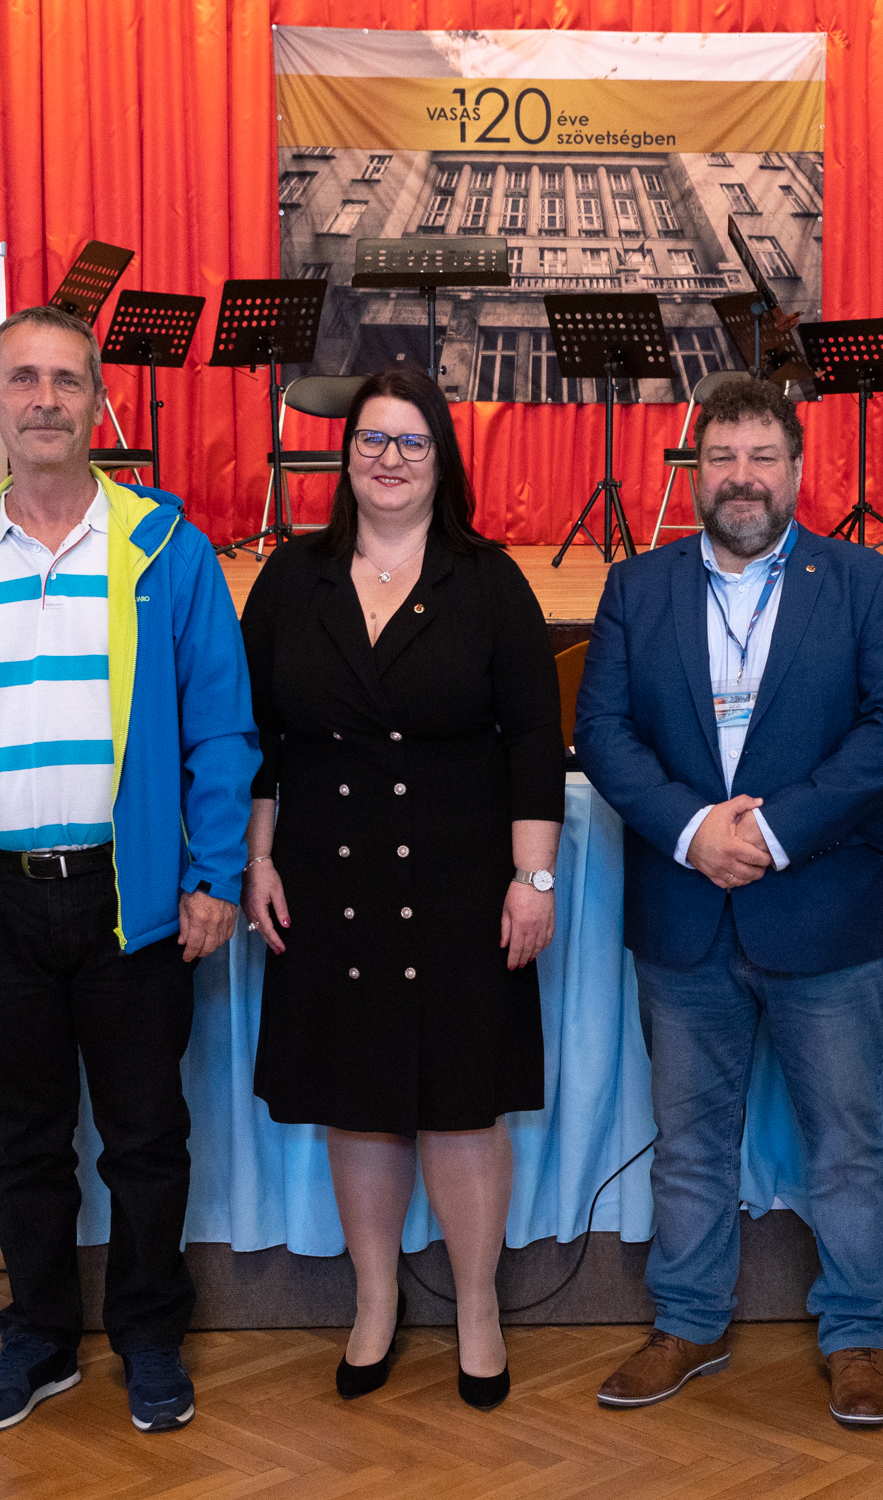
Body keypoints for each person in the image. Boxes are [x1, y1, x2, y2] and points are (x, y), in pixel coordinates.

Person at [0, 304, 258, 1434]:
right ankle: (39, 1337)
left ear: (99, 403)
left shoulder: (165, 547)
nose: (45, 399)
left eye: (67, 380)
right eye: (24, 379)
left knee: (146, 1137)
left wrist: (214, 874)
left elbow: (221, 727)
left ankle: (148, 1335)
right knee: (24, 1139)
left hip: (131, 898)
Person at [574, 376, 883, 1426]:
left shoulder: (863, 582)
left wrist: (772, 833)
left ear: (797, 470)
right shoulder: (637, 588)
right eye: (721, 457)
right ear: (693, 472)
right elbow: (603, 734)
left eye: (762, 456)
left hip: (823, 909)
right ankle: (688, 1323)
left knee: (847, 1143)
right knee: (689, 1144)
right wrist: (693, 831)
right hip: (685, 916)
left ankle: (858, 1335)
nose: (741, 477)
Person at [239, 366, 563, 1412]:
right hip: (328, 882)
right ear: (345, 457)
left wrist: (533, 879)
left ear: (441, 460)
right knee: (359, 1103)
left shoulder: (488, 580)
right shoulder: (293, 577)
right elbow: (258, 738)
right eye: (372, 440)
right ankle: (374, 1301)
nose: (389, 458)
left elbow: (534, 742)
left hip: (463, 887)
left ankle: (476, 1308)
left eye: (411, 441)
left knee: (464, 1107)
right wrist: (257, 859)